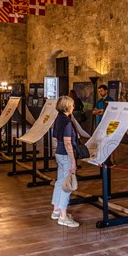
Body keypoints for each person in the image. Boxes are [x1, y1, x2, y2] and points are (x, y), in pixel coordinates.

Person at [51, 95, 80, 227]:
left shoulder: (59, 118)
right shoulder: (67, 122)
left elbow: (57, 138)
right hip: (66, 155)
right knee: (66, 186)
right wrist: (73, 162)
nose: (73, 107)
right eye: (72, 105)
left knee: (59, 182)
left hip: (59, 153)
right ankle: (63, 216)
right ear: (68, 106)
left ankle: (56, 210)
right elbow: (68, 143)